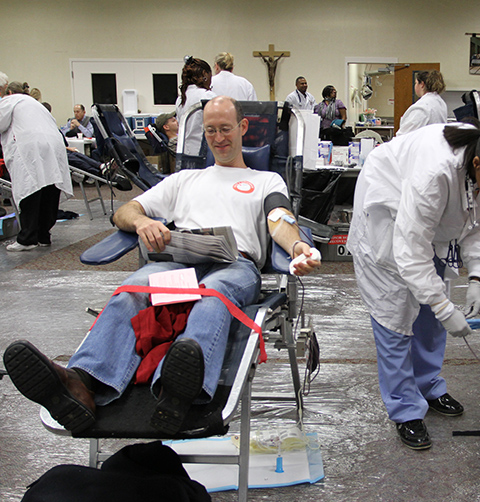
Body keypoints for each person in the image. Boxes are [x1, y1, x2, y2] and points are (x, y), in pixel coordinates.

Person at [3, 96, 321, 435]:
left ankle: (178, 389)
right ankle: (79, 384)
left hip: (235, 264)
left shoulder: (265, 180)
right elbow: (124, 212)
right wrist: (142, 224)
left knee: (213, 296)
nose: (218, 137)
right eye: (211, 130)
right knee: (133, 294)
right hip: (180, 264)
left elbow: (279, 218)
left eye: (226, 129)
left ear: (243, 128)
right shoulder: (184, 180)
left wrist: (298, 245)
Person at [347, 123, 480, 450]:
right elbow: (411, 251)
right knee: (396, 313)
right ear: (477, 166)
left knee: (432, 310)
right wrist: (446, 307)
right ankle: (404, 409)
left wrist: (476, 277)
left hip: (429, 219)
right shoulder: (434, 175)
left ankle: (427, 385)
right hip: (389, 210)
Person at [0, 84, 73, 251]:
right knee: (49, 187)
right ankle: (43, 235)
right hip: (53, 144)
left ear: (9, 92)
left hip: (30, 147)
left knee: (30, 188)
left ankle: (27, 238)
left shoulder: (9, 101)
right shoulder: (35, 104)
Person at [176, 56, 217, 160]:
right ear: (205, 75)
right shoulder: (208, 96)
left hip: (184, 152)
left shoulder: (180, 99)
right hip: (202, 153)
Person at [396, 70, 448, 136]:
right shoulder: (440, 102)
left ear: (422, 85)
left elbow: (404, 135)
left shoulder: (422, 107)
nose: (415, 86)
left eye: (416, 83)